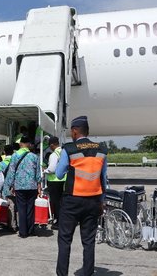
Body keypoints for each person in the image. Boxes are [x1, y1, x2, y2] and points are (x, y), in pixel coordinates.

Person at [55, 116, 108, 276]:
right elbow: (103, 178)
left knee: (65, 240)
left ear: (75, 131)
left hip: (72, 201)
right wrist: (102, 200)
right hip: (93, 201)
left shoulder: (69, 149)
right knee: (89, 241)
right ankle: (88, 273)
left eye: (72, 131)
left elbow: (58, 174)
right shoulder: (101, 150)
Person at [2, 136, 41, 238]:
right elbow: (38, 173)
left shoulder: (15, 156)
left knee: (21, 208)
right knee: (30, 209)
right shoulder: (34, 156)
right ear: (28, 144)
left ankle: (23, 232)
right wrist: (39, 185)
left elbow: (11, 172)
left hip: (19, 186)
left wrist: (8, 186)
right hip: (32, 186)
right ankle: (31, 230)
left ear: (20, 144)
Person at [43, 136, 66, 230]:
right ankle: (63, 220)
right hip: (63, 180)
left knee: (56, 202)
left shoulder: (53, 155)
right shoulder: (64, 152)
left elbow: (52, 169)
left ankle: (58, 222)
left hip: (54, 181)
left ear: (52, 145)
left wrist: (45, 170)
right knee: (61, 202)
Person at [0, 144, 17, 231]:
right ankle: (18, 224)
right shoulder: (16, 161)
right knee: (17, 205)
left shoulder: (1, 164)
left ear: (4, 152)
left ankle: (11, 224)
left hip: (6, 188)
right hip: (17, 186)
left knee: (10, 206)